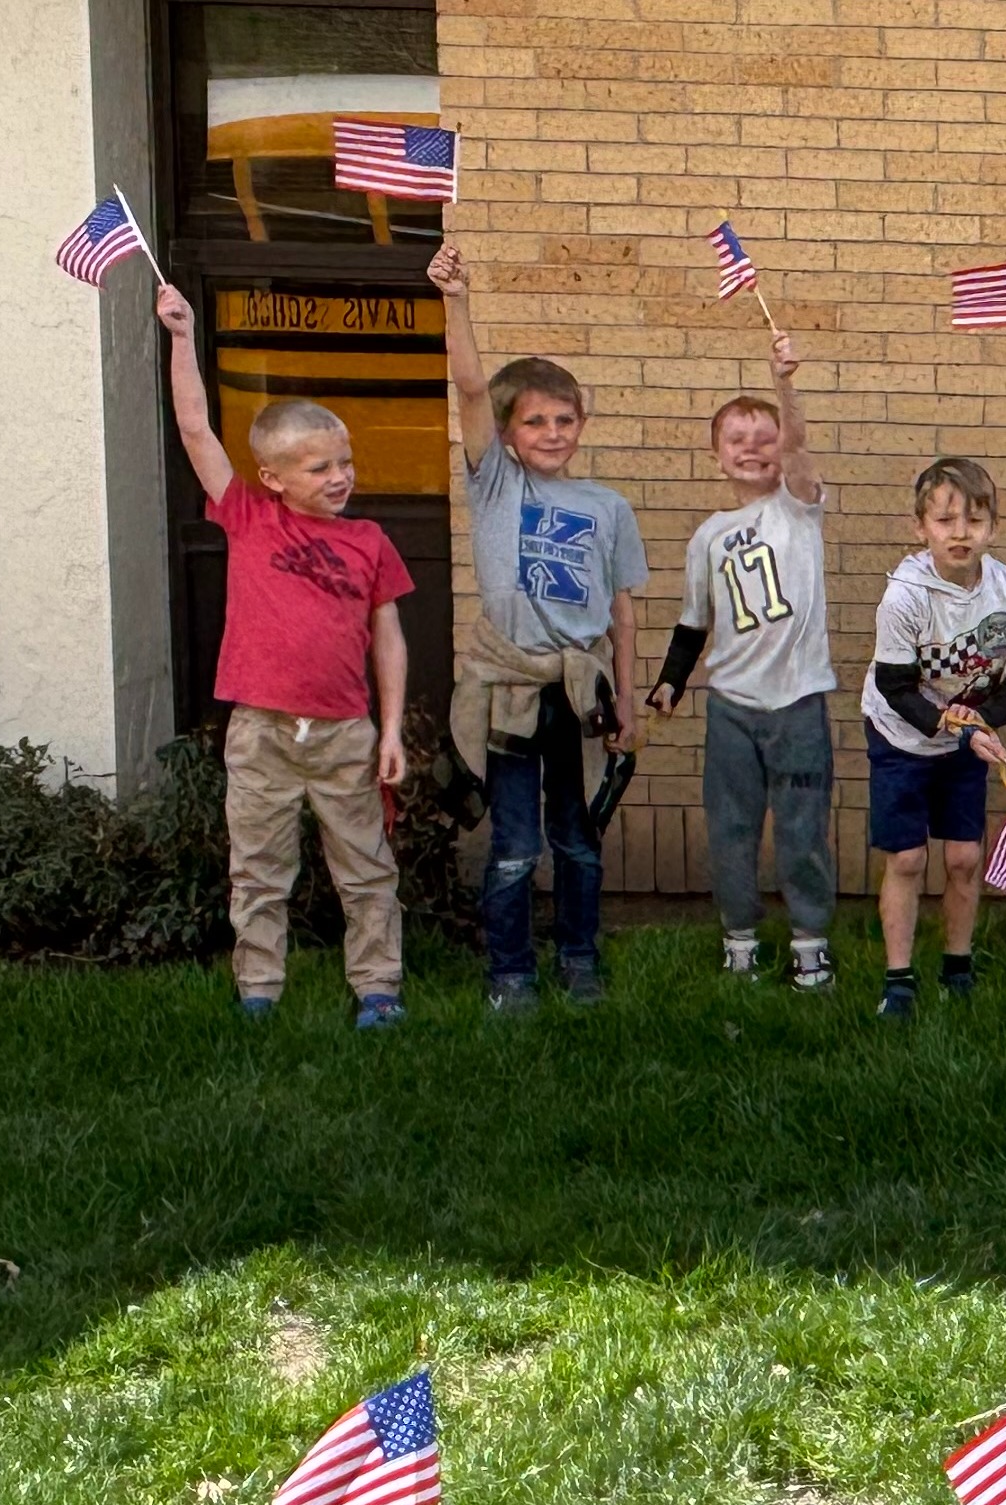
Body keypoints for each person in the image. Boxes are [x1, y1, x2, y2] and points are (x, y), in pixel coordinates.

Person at [154, 284, 414, 1030]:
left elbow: (387, 638)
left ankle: (379, 990)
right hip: (262, 729)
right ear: (272, 478)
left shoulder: (368, 542)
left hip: (344, 732)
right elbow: (196, 428)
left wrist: (390, 729)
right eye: (318, 468)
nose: (339, 477)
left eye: (344, 462)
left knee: (366, 870)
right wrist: (182, 337)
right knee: (260, 870)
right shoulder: (248, 517)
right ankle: (259, 992)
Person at [433, 242, 646, 1014]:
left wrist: (625, 700)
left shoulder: (607, 506)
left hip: (580, 689)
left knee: (578, 837)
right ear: (509, 431)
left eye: (565, 418)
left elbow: (623, 611)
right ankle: (511, 973)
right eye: (535, 420)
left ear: (582, 422)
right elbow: (466, 386)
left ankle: (580, 960)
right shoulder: (495, 483)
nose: (552, 432)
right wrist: (458, 298)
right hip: (513, 689)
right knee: (516, 845)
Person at [645, 326, 837, 991]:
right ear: (716, 455)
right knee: (730, 831)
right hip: (732, 707)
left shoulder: (799, 507)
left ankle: (811, 942)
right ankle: (741, 939)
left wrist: (785, 383)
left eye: (766, 436)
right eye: (738, 439)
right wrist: (670, 683)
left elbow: (802, 449)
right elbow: (693, 623)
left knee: (802, 831)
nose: (754, 448)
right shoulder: (708, 537)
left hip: (799, 701)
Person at [858, 458, 1006, 1020]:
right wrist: (946, 723)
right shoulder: (906, 594)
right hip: (900, 737)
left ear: (993, 527)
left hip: (963, 738)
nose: (960, 532)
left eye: (974, 520)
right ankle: (899, 980)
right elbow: (893, 683)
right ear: (921, 528)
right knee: (909, 859)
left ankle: (957, 967)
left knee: (964, 857)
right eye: (945, 520)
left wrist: (984, 726)